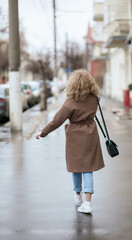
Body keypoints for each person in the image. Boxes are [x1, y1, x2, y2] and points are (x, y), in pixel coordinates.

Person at [35, 69, 105, 213]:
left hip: (75, 136)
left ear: (72, 84)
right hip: (91, 133)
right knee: (88, 168)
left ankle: (77, 195)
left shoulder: (71, 102)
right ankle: (88, 202)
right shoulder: (95, 98)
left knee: (76, 166)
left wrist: (43, 132)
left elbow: (56, 121)